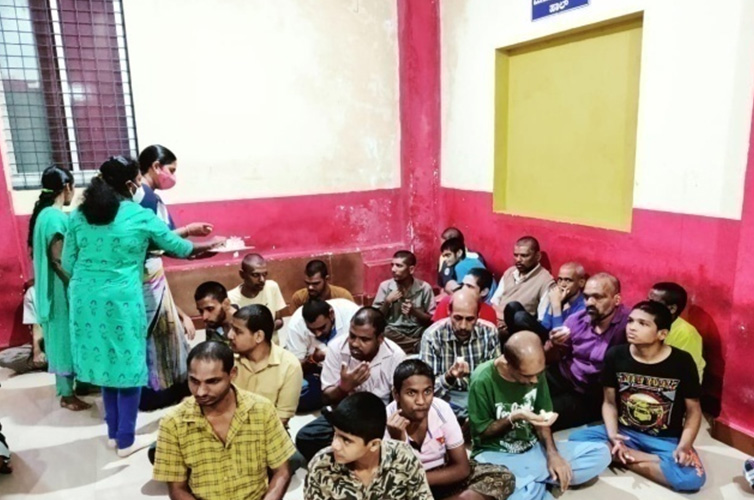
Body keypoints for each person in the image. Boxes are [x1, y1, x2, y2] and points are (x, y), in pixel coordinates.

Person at [63, 156, 224, 457]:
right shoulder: (138, 215)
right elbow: (180, 249)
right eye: (137, 180)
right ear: (129, 184)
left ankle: (113, 433)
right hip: (121, 300)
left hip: (85, 302)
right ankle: (125, 440)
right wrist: (214, 245)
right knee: (129, 365)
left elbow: (69, 262)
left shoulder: (79, 217)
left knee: (106, 366)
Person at [569, 301, 706, 492]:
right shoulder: (616, 355)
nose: (632, 327)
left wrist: (684, 446)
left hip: (665, 438)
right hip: (626, 432)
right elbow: (609, 403)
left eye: (643, 324)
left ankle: (620, 456)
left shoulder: (681, 362)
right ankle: (630, 453)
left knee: (692, 479)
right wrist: (613, 435)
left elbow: (693, 411)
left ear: (662, 334)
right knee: (576, 439)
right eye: (631, 321)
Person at [468, 331, 611, 500]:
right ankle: (537, 481)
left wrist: (553, 455)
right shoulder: (482, 379)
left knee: (601, 454)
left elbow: (542, 419)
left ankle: (529, 482)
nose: (535, 380)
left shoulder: (534, 370)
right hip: (496, 453)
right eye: (528, 376)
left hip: (533, 448)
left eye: (539, 373)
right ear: (508, 364)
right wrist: (514, 417)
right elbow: (481, 432)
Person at [153, 341, 295, 500]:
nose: (201, 391)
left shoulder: (262, 410)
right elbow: (177, 489)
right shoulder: (172, 423)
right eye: (194, 381)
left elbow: (282, 472)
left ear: (232, 374)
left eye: (212, 381)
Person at [136, 144, 215, 411]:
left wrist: (188, 232)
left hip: (143, 273)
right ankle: (156, 392)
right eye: (171, 170)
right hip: (147, 276)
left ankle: (154, 389)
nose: (173, 177)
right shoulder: (147, 199)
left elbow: (160, 238)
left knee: (157, 333)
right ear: (155, 167)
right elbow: (162, 242)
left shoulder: (139, 197)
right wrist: (197, 243)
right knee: (160, 334)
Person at [386, 359, 515, 499]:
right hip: (406, 486)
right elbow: (393, 479)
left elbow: (462, 468)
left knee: (502, 477)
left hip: (441, 476)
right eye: (411, 393)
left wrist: (420, 479)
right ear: (396, 394)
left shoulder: (441, 409)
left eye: (427, 391)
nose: (421, 401)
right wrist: (398, 441)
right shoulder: (383, 421)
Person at [295, 307, 406, 462]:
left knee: (384, 447)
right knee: (305, 438)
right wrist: (343, 387)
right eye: (352, 336)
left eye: (364, 339)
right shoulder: (336, 347)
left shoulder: (396, 356)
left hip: (379, 419)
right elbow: (326, 397)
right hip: (344, 414)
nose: (354, 343)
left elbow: (399, 403)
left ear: (380, 338)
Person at [28, 166, 89, 411]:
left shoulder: (43, 215)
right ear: (66, 187)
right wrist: (75, 284)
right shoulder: (55, 218)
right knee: (64, 339)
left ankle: (75, 384)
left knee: (60, 338)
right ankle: (66, 394)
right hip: (60, 292)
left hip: (51, 289)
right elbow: (57, 260)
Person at [305, 392, 433, 500]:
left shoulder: (404, 458)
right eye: (336, 434)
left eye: (346, 440)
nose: (335, 445)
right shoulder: (321, 466)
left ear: (373, 445)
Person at [544, 272, 628, 431]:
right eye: (586, 297)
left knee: (544, 416)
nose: (589, 302)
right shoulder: (576, 320)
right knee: (517, 398)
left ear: (616, 300)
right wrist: (553, 344)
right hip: (564, 375)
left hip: (591, 394)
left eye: (598, 297)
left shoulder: (628, 326)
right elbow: (549, 358)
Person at [421, 288, 500, 419]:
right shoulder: (432, 336)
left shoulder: (489, 332)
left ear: (478, 315)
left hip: (479, 395)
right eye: (458, 318)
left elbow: (495, 379)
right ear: (448, 311)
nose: (463, 326)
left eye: (470, 319)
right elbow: (426, 389)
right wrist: (449, 376)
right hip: (446, 396)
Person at [228, 304, 303, 427]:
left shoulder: (290, 366)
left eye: (237, 331)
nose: (230, 335)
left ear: (258, 336)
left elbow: (282, 419)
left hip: (270, 434)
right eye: (231, 329)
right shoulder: (228, 359)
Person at [285, 298, 360, 412]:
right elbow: (295, 368)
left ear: (331, 314)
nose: (318, 333)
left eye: (322, 327)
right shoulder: (296, 324)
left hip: (351, 368)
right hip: (318, 371)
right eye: (312, 330)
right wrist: (314, 359)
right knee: (292, 395)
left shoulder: (351, 313)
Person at [504, 262, 586, 341]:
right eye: (560, 279)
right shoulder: (558, 297)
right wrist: (552, 304)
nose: (562, 284)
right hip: (546, 336)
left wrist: (556, 306)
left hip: (557, 343)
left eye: (568, 280)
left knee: (520, 317)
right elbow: (545, 326)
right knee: (512, 306)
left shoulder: (582, 307)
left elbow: (560, 338)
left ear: (581, 283)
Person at [372, 250, 435, 353]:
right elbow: (375, 318)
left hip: (416, 330)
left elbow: (431, 320)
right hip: (394, 331)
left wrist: (414, 312)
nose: (393, 269)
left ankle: (409, 345)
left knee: (430, 332)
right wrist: (387, 302)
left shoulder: (424, 288)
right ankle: (416, 345)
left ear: (411, 269)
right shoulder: (385, 287)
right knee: (384, 333)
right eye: (392, 265)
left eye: (399, 266)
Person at [489, 237, 555, 333]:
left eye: (524, 256)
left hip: (520, 331)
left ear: (537, 256)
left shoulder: (546, 281)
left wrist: (509, 323)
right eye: (516, 255)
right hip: (496, 323)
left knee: (518, 314)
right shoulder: (509, 272)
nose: (518, 260)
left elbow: (541, 321)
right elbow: (494, 304)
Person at [648, 282, 706, 383]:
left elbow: (688, 374)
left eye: (653, 303)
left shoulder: (686, 334)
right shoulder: (649, 324)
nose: (647, 306)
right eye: (648, 300)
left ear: (672, 309)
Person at [227, 253, 286, 330]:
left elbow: (279, 319)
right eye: (255, 275)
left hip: (271, 342)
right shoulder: (230, 298)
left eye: (264, 274)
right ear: (242, 274)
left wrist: (266, 331)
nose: (262, 280)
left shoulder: (272, 287)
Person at [433, 268, 498, 324]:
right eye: (462, 285)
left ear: (483, 292)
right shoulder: (447, 302)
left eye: (469, 286)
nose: (463, 289)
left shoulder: (490, 313)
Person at [288, 259, 355, 312]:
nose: (310, 287)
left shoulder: (343, 297)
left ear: (326, 279)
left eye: (315, 283)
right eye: (307, 283)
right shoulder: (299, 299)